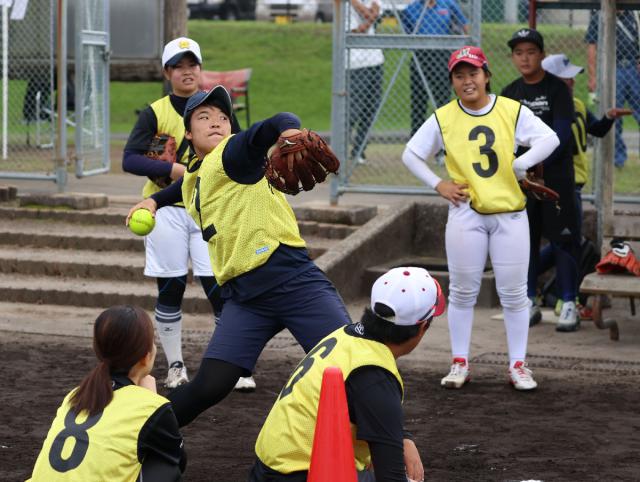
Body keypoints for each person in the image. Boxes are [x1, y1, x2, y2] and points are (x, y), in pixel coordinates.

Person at [126, 86, 352, 428]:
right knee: (209, 385)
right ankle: (139, 434)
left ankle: (399, 447)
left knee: (350, 364)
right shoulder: (196, 174)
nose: (216, 121)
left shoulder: (233, 152)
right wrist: (154, 201)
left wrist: (288, 131)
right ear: (188, 133)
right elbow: (184, 184)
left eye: (222, 117)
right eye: (204, 117)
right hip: (245, 300)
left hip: (292, 282)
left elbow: (275, 122)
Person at [403, 46, 560, 390]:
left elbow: (550, 138)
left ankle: (518, 365)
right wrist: (438, 183)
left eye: (473, 73)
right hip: (466, 213)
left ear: (487, 76)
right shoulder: (444, 116)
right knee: (461, 291)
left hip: (510, 213)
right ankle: (459, 362)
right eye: (459, 75)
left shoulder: (510, 109)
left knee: (515, 294)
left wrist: (522, 163)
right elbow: (411, 154)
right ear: (452, 82)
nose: (467, 80)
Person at [122, 37, 254, 391]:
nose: (187, 71)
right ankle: (176, 366)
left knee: (218, 285)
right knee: (171, 286)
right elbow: (131, 159)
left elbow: (239, 150)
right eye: (178, 66)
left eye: (192, 64)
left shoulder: (218, 108)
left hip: (208, 209)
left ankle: (235, 364)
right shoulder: (157, 112)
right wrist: (175, 167)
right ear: (167, 72)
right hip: (164, 211)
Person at [250, 266, 444, 482]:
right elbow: (391, 477)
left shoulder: (345, 335)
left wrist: (403, 437)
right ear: (422, 327)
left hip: (268, 469)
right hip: (303, 475)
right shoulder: (375, 375)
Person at [27, 306, 185, 482]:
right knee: (164, 464)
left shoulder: (75, 394)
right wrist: (151, 397)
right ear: (146, 356)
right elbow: (177, 460)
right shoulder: (151, 406)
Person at [540, 53, 632, 327]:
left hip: (574, 183)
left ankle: (545, 287)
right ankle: (557, 295)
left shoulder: (577, 104)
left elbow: (596, 130)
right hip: (553, 185)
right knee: (567, 241)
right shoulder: (542, 108)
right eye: (564, 77)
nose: (571, 82)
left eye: (571, 78)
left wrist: (608, 117)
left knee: (570, 241)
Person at [501, 28, 582, 332]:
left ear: (542, 56)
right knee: (526, 241)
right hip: (522, 181)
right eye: (519, 53)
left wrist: (532, 160)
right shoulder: (509, 92)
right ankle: (529, 299)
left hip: (556, 179)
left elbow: (560, 136)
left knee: (562, 240)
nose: (525, 58)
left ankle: (569, 301)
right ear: (513, 57)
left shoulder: (557, 90)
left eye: (531, 52)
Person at [401, 0, 469, 136]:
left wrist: (467, 47)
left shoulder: (448, 4)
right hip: (420, 56)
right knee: (418, 100)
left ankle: (443, 141)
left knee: (442, 100)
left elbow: (464, 25)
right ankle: (417, 139)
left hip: (442, 55)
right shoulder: (411, 9)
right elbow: (407, 32)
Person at [585, 9, 640, 168]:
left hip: (633, 67)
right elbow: (592, 47)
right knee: (614, 115)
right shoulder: (599, 16)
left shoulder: (634, 14)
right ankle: (617, 160)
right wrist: (593, 76)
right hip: (611, 68)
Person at [347, 0, 383, 165]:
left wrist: (368, 19)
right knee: (353, 111)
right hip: (355, 64)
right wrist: (368, 18)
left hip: (376, 60)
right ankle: (339, 151)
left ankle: (359, 151)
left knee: (371, 109)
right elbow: (355, 31)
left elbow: (373, 13)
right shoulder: (343, 6)